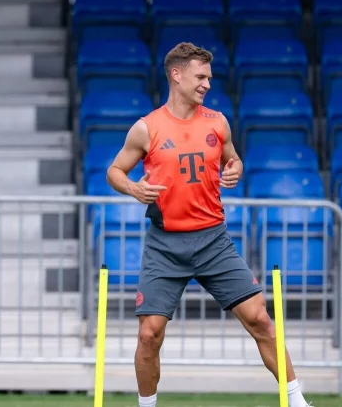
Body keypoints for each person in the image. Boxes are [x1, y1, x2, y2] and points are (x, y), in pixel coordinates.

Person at [105, 42, 313, 407]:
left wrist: (236, 168)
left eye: (209, 78)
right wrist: (134, 188)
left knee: (261, 321)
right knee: (149, 335)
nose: (206, 85)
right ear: (177, 74)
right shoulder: (146, 128)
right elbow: (114, 171)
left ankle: (297, 402)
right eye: (200, 77)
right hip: (164, 245)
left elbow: (233, 159)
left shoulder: (218, 122)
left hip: (214, 241)